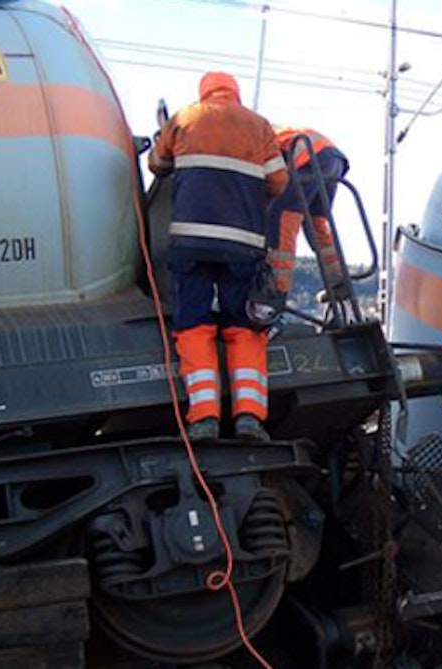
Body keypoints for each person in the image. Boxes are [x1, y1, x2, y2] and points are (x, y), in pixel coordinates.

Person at [148, 72, 288, 441]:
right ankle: (249, 418)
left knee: (193, 326)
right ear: (235, 94)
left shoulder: (185, 117)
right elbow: (279, 182)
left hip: (191, 244)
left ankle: (204, 419)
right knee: (244, 328)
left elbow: (156, 164)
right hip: (242, 247)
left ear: (204, 93)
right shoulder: (258, 126)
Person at [266, 127, 351, 306]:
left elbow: (271, 179)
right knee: (316, 222)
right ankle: (339, 279)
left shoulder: (259, 140)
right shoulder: (273, 132)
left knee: (282, 217)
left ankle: (277, 288)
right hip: (332, 158)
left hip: (309, 157)